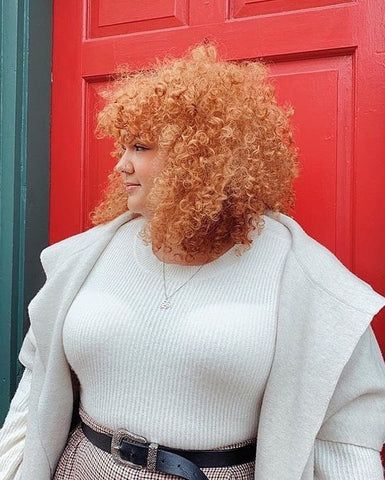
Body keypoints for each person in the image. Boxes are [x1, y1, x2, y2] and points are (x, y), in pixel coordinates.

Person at [0, 44, 384, 480]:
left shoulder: (309, 281)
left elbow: (345, 437)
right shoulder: (86, 257)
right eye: (124, 146)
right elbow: (36, 384)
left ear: (203, 160)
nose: (121, 164)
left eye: (140, 146)